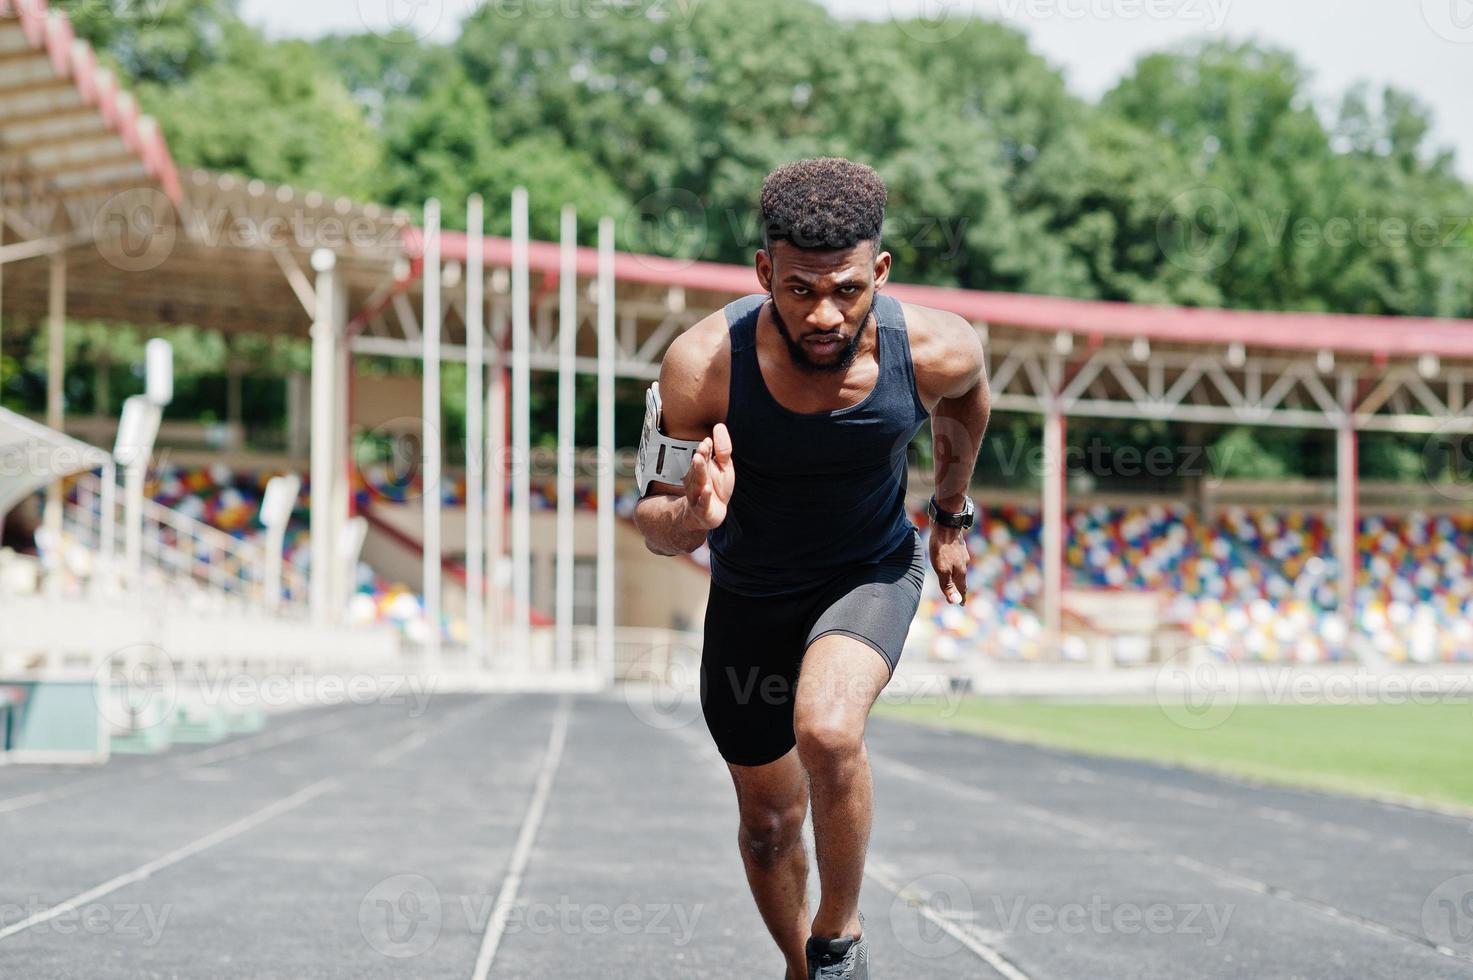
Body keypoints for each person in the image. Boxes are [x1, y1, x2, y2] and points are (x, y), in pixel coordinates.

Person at [632, 157, 990, 980]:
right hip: (751, 598)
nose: (825, 313)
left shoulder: (934, 348)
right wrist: (692, 515)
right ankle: (805, 969)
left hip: (867, 570)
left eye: (848, 290)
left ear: (880, 272)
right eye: (799, 291)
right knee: (766, 826)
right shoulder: (702, 365)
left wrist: (949, 515)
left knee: (827, 730)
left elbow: (970, 400)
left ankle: (837, 940)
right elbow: (650, 525)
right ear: (764, 272)